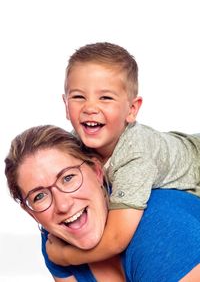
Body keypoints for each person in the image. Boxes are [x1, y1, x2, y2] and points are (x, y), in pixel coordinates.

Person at [46, 41, 200, 267]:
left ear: (132, 110)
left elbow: (117, 239)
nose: (90, 107)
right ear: (65, 103)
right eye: (79, 97)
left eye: (105, 98)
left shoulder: (134, 158)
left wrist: (65, 257)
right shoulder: (74, 144)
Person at [4, 124, 200, 281]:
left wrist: (66, 257)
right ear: (30, 211)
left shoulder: (159, 228)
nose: (63, 206)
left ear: (97, 172)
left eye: (68, 178)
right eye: (39, 196)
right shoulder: (56, 240)